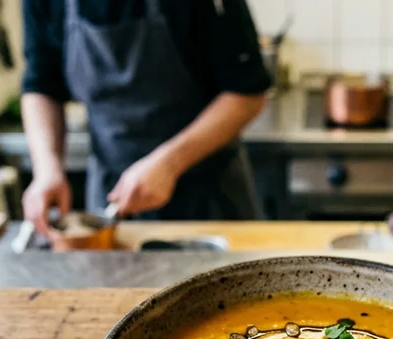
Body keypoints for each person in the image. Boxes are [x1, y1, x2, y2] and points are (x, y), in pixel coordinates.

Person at [20, 0, 270, 235]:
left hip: (208, 196)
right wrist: (47, 169)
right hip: (110, 197)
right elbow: (41, 86)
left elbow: (248, 93)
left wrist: (170, 163)